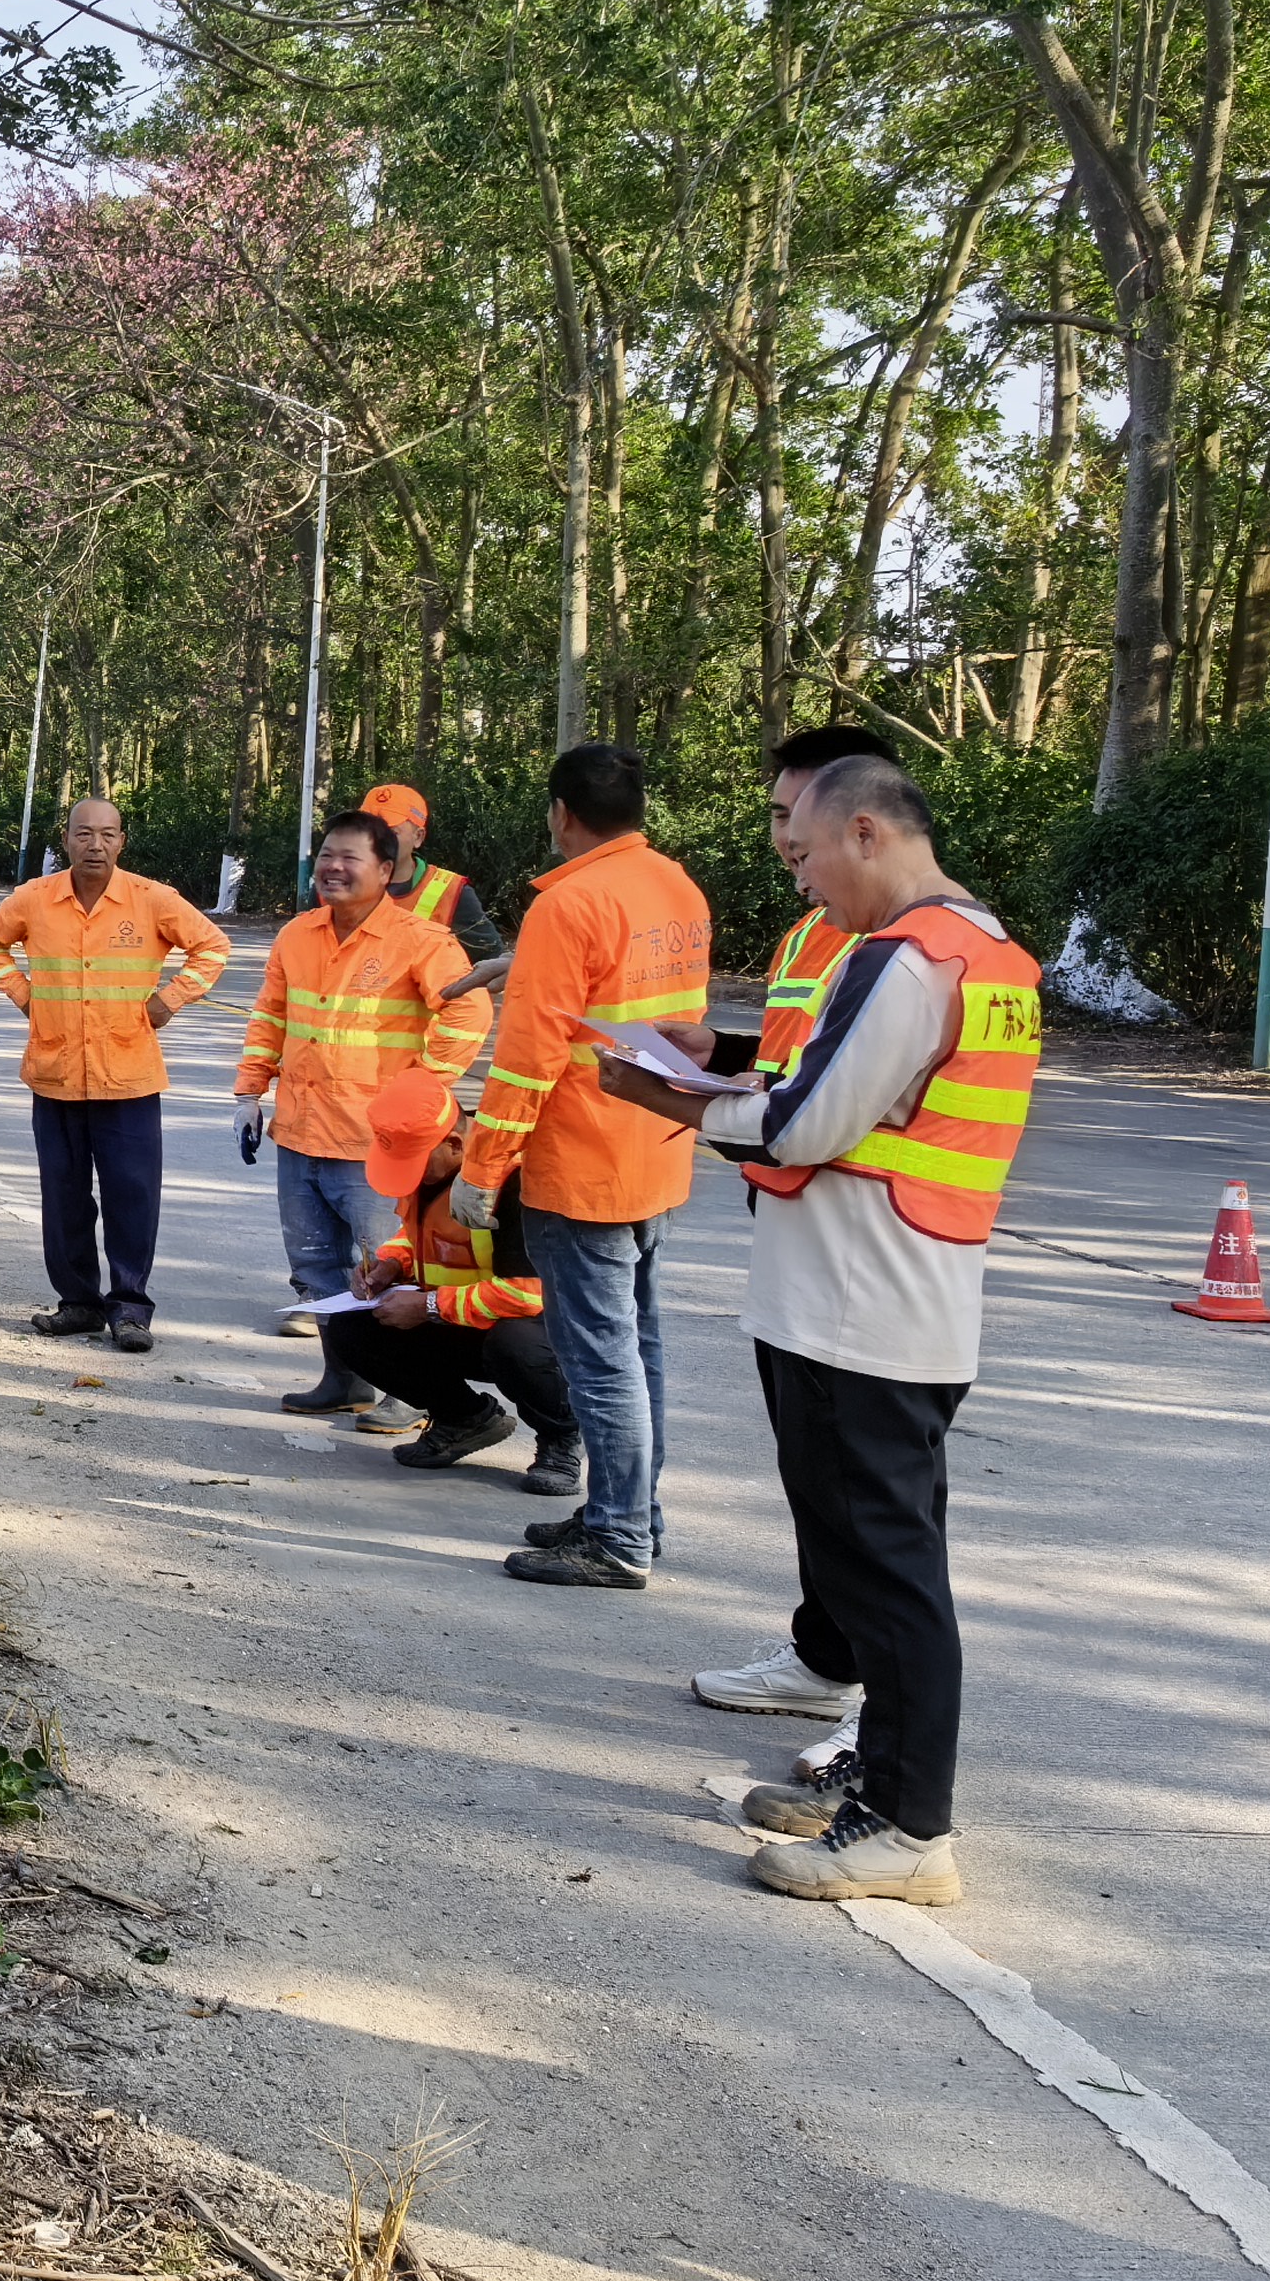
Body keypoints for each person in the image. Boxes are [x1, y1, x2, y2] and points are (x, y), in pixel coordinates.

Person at [597, 756, 1037, 1904]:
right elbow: (848, 1085)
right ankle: (880, 1784)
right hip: (896, 1294)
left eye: (805, 855)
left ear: (870, 833)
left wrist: (670, 1102)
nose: (804, 884)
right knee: (872, 1567)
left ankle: (906, 1828)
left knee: (885, 1578)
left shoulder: (907, 956)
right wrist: (725, 1069)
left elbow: (807, 1123)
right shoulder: (979, 950)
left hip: (860, 1306)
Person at [453, 742, 713, 1590]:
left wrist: (482, 1170)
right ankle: (632, 1515)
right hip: (655, 1148)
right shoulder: (674, 886)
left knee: (601, 1359)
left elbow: (527, 1061)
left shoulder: (570, 904)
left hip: (584, 1159)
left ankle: (619, 1539)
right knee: (640, 1349)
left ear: (560, 813)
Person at [687, 726, 903, 1736]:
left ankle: (879, 1715)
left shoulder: (895, 941)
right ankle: (826, 1654)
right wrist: (714, 1051)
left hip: (867, 1250)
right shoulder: (812, 932)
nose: (782, 842)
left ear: (856, 818)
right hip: (790, 1219)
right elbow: (797, 1064)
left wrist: (692, 1106)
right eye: (775, 817)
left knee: (866, 1501)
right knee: (810, 1474)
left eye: (793, 820)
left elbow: (836, 1100)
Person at [233, 810, 483, 1419]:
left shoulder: (422, 942)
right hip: (300, 1132)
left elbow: (468, 1012)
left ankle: (412, 1392)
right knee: (317, 1266)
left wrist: (420, 1096)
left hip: (375, 1144)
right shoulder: (298, 935)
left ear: (387, 869)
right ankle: (344, 1377)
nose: (333, 868)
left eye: (349, 858)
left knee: (391, 1268)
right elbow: (270, 1018)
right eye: (326, 855)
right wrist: (249, 1093)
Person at [0, 795, 230, 1354]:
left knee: (131, 1196)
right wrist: (24, 995)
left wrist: (170, 999)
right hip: (56, 1072)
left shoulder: (151, 898)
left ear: (122, 842)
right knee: (63, 1196)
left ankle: (130, 1308)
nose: (96, 845)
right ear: (65, 840)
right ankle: (79, 1304)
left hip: (128, 1076)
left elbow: (212, 946)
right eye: (84, 834)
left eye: (108, 835)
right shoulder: (35, 899)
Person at [328, 1067, 578, 1490]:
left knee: (516, 1346)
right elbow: (420, 1238)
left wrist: (427, 1307)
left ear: (455, 1145)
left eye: (413, 1163)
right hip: (460, 1317)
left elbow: (532, 1292)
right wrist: (392, 1265)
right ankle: (465, 1419)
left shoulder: (516, 1180)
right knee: (352, 1328)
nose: (407, 1174)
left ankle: (561, 1438)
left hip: (529, 1327)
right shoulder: (433, 1170)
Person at [359, 783, 508, 979]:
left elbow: (493, 963)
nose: (375, 839)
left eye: (391, 832)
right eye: (365, 829)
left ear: (418, 837)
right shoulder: (330, 888)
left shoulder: (452, 893)